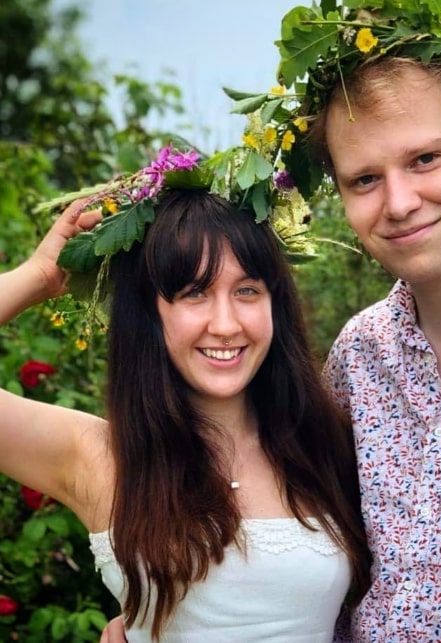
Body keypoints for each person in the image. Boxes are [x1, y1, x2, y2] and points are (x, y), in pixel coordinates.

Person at [103, 2, 441, 641]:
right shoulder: (359, 357)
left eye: (425, 159)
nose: (399, 202)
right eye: (364, 178)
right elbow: (333, 573)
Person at [0, 171, 371, 640]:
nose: (226, 323)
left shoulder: (326, 440)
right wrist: (38, 277)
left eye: (247, 291)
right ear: (150, 314)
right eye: (195, 292)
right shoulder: (99, 457)